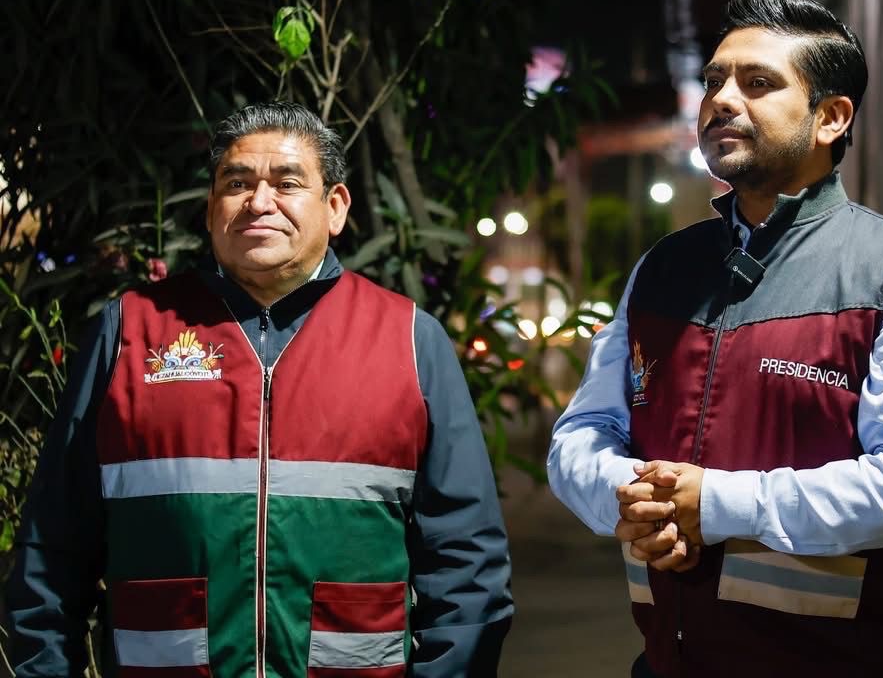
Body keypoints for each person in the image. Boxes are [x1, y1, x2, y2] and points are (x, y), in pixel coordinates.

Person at [548, 0, 883, 677]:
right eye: (714, 81)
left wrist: (717, 504)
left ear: (831, 118)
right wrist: (626, 494)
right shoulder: (662, 271)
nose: (721, 100)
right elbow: (581, 433)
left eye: (757, 83)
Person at [6, 102, 513, 677]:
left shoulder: (408, 339)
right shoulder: (129, 331)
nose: (259, 201)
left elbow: (466, 562)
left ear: (335, 207)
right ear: (210, 210)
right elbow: (52, 547)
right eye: (237, 183)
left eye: (287, 183)